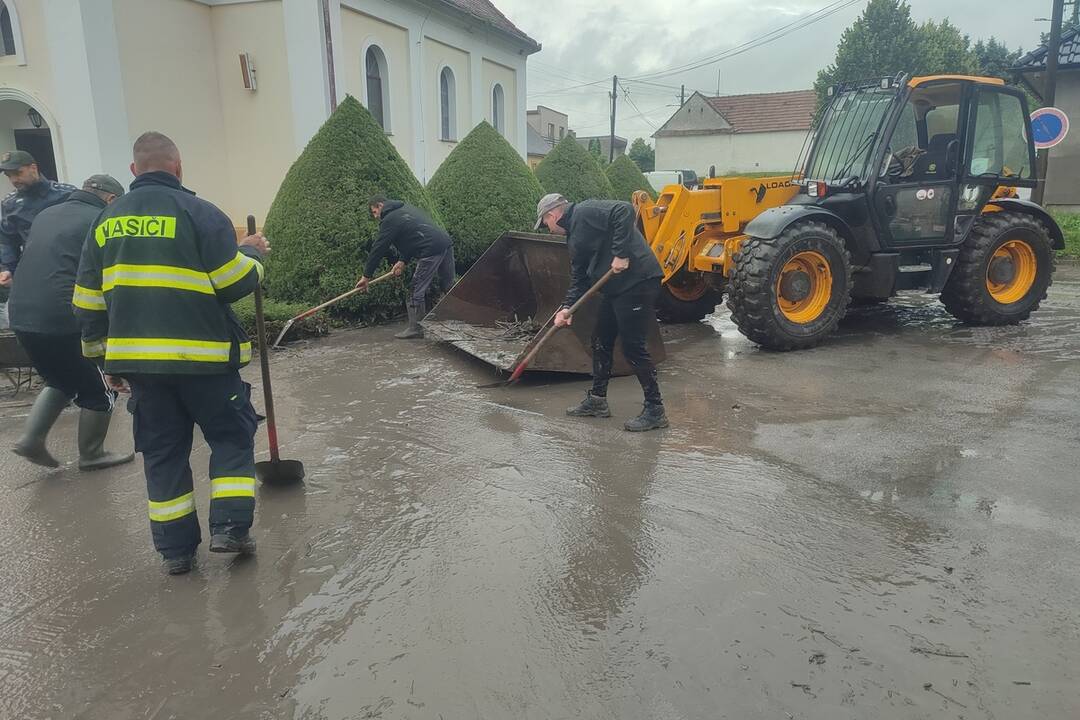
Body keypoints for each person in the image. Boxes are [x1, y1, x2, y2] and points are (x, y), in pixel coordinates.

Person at [73, 132, 270, 576]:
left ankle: (176, 553)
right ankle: (230, 531)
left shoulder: (105, 221)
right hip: (205, 363)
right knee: (230, 439)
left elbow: (87, 301)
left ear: (133, 171)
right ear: (178, 167)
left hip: (142, 369)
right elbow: (233, 282)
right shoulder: (200, 213)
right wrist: (252, 254)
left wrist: (105, 363)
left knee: (163, 453)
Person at [8, 174, 135, 471]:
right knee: (98, 387)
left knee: (60, 379)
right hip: (63, 314)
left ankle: (31, 440)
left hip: (22, 314)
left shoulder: (46, 214)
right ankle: (92, 454)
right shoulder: (101, 219)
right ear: (111, 199)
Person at [535, 193, 669, 432]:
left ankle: (655, 409)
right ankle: (597, 401)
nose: (546, 227)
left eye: (545, 222)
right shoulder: (573, 236)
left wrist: (620, 253)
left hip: (638, 281)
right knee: (600, 340)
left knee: (633, 347)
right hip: (616, 289)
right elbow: (579, 277)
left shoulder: (585, 211)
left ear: (552, 214)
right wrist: (567, 307)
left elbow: (624, 210)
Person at [355, 195, 455, 339]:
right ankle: (465, 317)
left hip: (431, 250)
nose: (376, 217)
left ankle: (416, 329)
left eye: (374, 212)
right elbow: (412, 238)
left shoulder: (389, 219)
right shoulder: (404, 208)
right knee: (449, 286)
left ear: (380, 205)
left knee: (414, 292)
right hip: (445, 242)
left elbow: (378, 248)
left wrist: (366, 276)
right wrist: (402, 261)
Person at [0, 150, 77, 329]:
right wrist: (8, 269)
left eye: (18, 173)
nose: (14, 180)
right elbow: (6, 239)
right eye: (9, 176)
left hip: (67, 268)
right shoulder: (10, 204)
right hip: (32, 271)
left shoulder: (66, 194)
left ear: (33, 168)